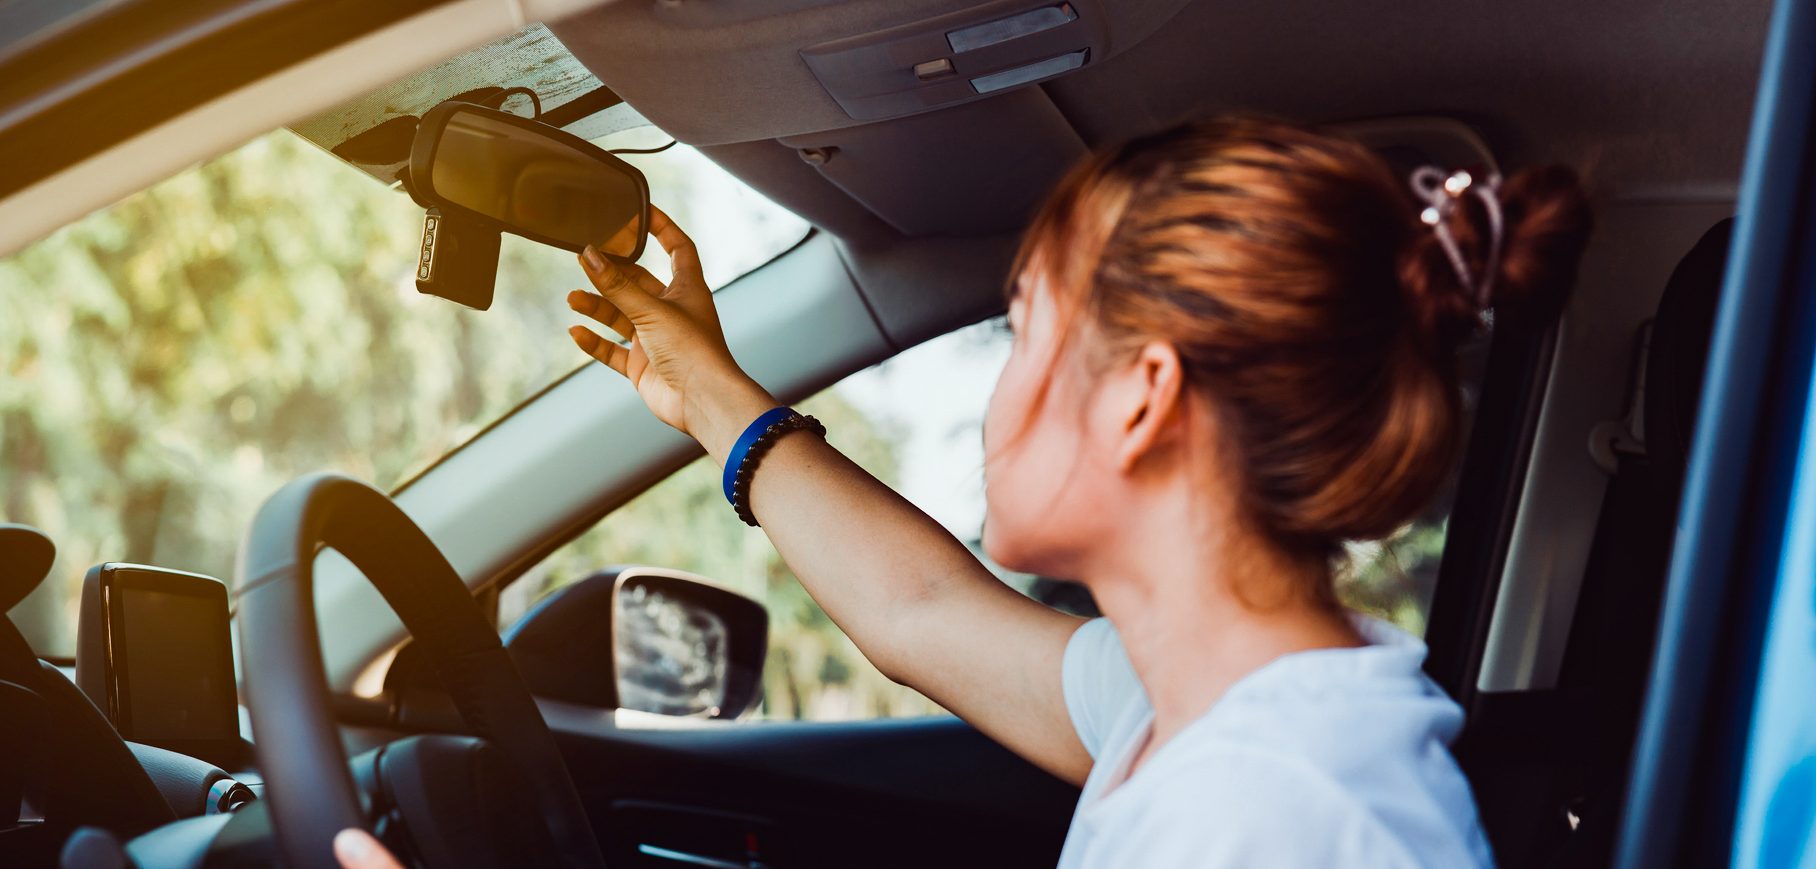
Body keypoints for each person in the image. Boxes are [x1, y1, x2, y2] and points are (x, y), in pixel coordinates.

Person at [346, 116, 1592, 867]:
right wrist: (708, 393)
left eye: (1020, 330)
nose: (994, 403)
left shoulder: (1276, 813)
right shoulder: (1207, 711)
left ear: (1141, 396)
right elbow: (924, 613)